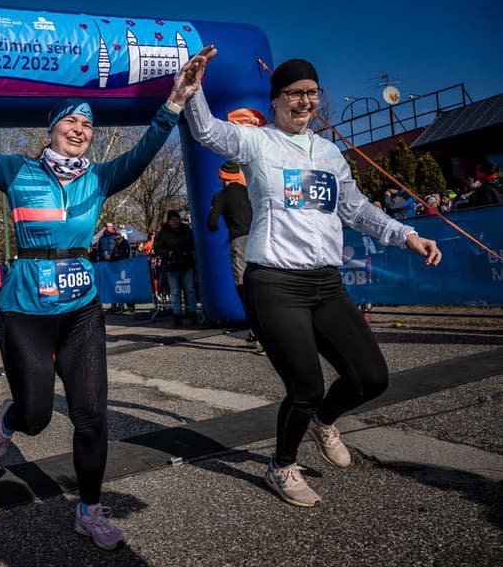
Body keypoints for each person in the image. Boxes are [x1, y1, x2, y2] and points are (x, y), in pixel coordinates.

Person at [0, 51, 201, 549]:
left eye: (88, 122)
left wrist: (175, 101)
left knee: (91, 415)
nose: (81, 128)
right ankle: (11, 416)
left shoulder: (100, 178)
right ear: (53, 128)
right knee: (38, 417)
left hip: (81, 308)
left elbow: (144, 151)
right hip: (24, 307)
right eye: (71, 119)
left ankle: (89, 509)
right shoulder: (17, 170)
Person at [184, 48, 442, 507]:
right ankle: (281, 466)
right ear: (276, 99)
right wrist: (193, 88)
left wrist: (407, 236)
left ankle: (324, 422)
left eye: (312, 93)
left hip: (325, 282)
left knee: (371, 378)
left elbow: (356, 209)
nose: (304, 102)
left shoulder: (329, 153)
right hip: (275, 283)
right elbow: (206, 131)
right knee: (304, 386)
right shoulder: (257, 142)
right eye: (294, 94)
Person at [206, 160, 258, 348]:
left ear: (222, 176)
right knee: (262, 285)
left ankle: (258, 333)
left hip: (240, 240)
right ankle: (268, 330)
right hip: (260, 238)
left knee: (244, 287)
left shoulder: (221, 196)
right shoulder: (251, 191)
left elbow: (212, 225)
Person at [154, 209, 198, 326]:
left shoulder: (186, 229)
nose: (175, 221)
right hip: (172, 265)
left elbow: (194, 243)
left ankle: (193, 313)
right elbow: (157, 248)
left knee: (190, 290)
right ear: (168, 221)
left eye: (177, 219)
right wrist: (168, 253)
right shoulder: (163, 232)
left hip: (186, 263)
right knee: (175, 292)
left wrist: (190, 252)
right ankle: (177, 315)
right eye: (173, 220)